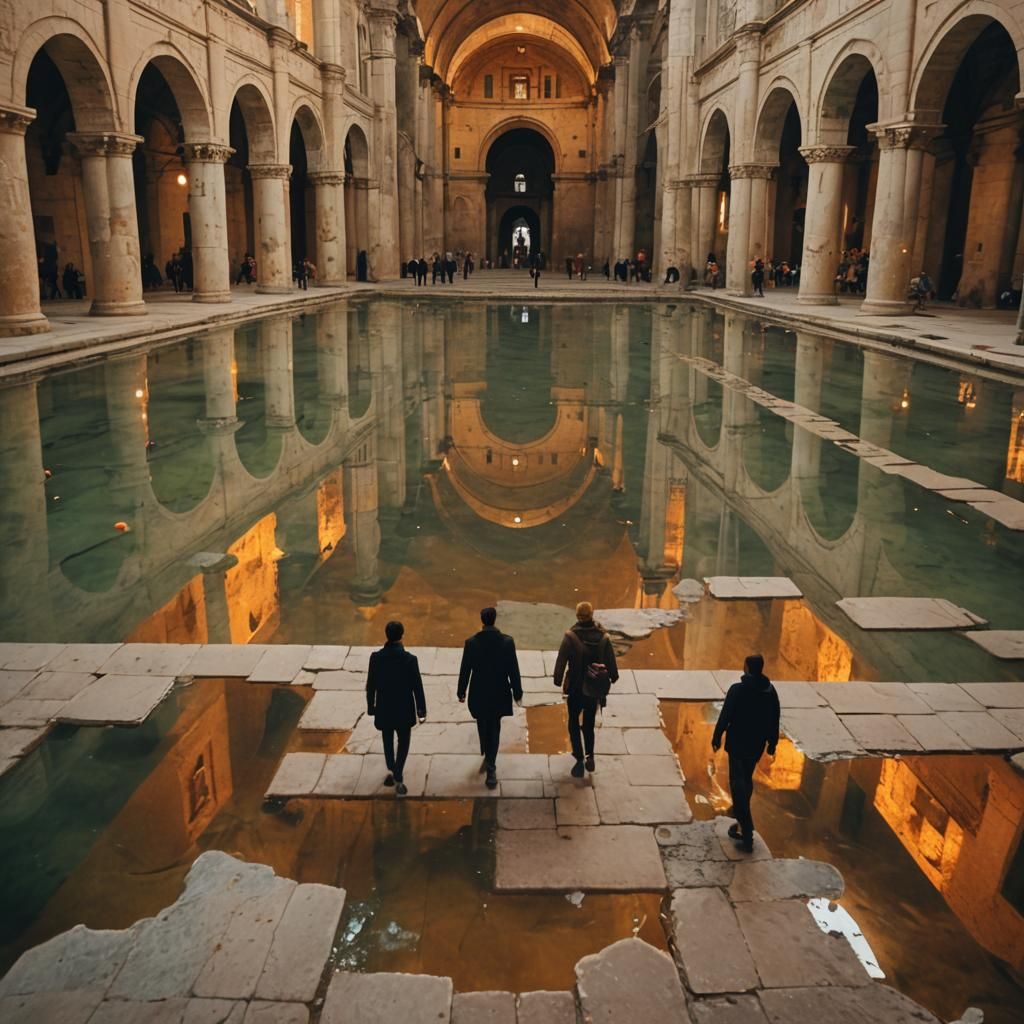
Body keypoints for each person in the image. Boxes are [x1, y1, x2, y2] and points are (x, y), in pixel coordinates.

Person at [711, 654, 780, 853]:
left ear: (748, 668)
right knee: (746, 779)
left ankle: (747, 830)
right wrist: (772, 742)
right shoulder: (770, 691)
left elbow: (725, 715)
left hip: (738, 742)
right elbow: (774, 717)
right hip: (755, 743)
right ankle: (740, 821)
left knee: (736, 782)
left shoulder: (738, 690)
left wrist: (717, 736)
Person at [457, 607, 523, 789]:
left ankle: (487, 754)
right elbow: (513, 670)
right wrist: (517, 692)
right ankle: (491, 764)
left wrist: (461, 691)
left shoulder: (471, 643)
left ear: (482, 621)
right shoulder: (507, 642)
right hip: (499, 691)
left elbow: (465, 669)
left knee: (482, 722)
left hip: (479, 691)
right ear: (494, 620)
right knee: (495, 726)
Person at [552, 601, 619, 777]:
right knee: (588, 723)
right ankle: (590, 755)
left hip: (575, 687)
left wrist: (558, 679)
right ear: (592, 614)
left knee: (573, 721)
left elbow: (561, 661)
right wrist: (612, 676)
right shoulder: (603, 638)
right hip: (593, 687)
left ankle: (579, 757)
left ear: (577, 616)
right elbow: (611, 664)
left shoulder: (570, 637)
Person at [365, 621, 427, 796]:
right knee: (404, 740)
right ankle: (398, 770)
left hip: (384, 706)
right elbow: (417, 686)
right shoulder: (409, 660)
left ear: (386, 634)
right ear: (402, 635)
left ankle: (392, 766)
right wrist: (421, 710)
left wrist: (371, 706)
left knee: (387, 738)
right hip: (404, 707)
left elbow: (371, 685)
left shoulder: (376, 658)